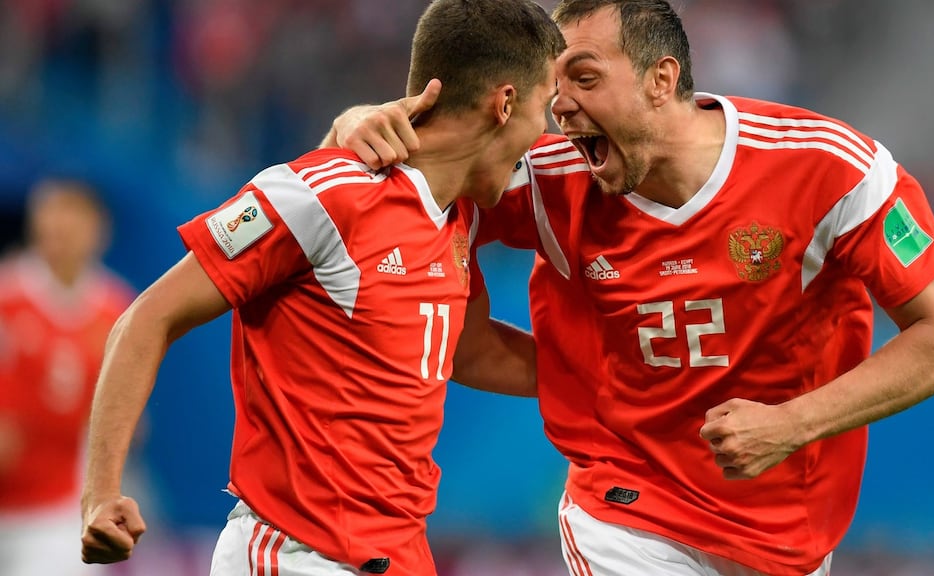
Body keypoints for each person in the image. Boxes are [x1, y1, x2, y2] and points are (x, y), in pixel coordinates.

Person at [327, 1, 934, 575]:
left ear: (661, 80)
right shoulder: (549, 178)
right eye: (554, 87)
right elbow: (410, 175)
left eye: (583, 77)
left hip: (786, 531)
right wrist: (355, 122)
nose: (559, 106)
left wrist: (791, 424)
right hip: (626, 507)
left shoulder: (832, 171)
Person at [78, 1, 563, 575]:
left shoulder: (455, 216)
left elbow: (469, 350)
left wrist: (609, 378)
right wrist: (100, 492)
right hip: (294, 555)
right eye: (544, 109)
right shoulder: (325, 194)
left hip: (402, 554)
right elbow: (149, 317)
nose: (546, 133)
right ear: (504, 104)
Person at [0, 178, 135, 576]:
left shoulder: (116, 310)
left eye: (72, 214)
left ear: (99, 229)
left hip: (56, 511)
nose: (59, 225)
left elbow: (130, 419)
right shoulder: (6, 294)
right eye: (50, 212)